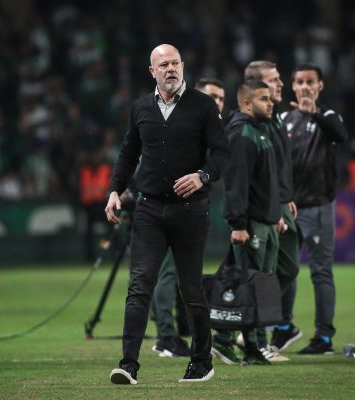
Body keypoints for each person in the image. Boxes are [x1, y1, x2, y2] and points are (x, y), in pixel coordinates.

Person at [105, 44, 229, 384]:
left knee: (191, 290)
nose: (170, 69)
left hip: (190, 211)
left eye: (175, 63)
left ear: (183, 66)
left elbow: (221, 153)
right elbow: (128, 153)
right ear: (152, 71)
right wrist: (115, 190)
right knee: (139, 286)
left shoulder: (204, 105)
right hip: (147, 208)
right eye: (164, 64)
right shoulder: (140, 107)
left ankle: (201, 361)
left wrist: (202, 175)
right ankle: (128, 365)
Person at [150, 77, 226, 359]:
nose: (216, 102)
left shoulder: (208, 126)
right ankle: (166, 336)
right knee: (169, 274)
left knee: (180, 275)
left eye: (220, 98)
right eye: (211, 97)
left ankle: (174, 333)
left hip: (191, 207)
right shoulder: (185, 123)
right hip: (174, 207)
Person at [283, 63, 348, 354]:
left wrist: (316, 114)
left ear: (320, 86)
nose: (305, 86)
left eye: (311, 82)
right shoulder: (283, 118)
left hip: (319, 207)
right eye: (300, 82)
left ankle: (323, 337)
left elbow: (340, 135)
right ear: (293, 86)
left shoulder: (329, 116)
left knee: (320, 272)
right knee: (284, 270)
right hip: (288, 208)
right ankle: (283, 327)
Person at [245, 61, 303, 354]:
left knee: (286, 270)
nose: (281, 83)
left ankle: (248, 328)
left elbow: (279, 165)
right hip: (268, 209)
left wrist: (286, 195)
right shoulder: (255, 123)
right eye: (274, 79)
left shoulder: (275, 117)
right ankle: (252, 337)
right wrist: (273, 205)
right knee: (262, 274)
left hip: (281, 202)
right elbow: (257, 173)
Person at [222, 80, 281, 365]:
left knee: (261, 287)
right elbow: (237, 184)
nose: (270, 103)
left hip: (267, 222)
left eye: (270, 99)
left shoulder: (259, 131)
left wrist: (276, 214)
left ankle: (252, 344)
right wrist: (239, 224)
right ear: (246, 103)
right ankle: (250, 349)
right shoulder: (242, 134)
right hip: (252, 225)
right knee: (251, 287)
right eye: (263, 99)